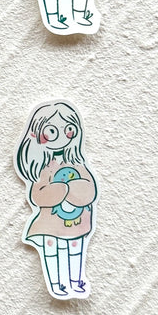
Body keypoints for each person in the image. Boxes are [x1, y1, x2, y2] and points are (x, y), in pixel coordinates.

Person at [14, 101, 97, 299]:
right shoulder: (43, 167)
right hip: (50, 225)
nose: (61, 136)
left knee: (75, 250)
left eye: (68, 129)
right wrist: (63, 189)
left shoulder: (77, 163)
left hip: (77, 222)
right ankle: (57, 283)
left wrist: (74, 190)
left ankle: (76, 280)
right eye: (52, 131)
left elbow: (90, 190)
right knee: (53, 252)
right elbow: (38, 195)